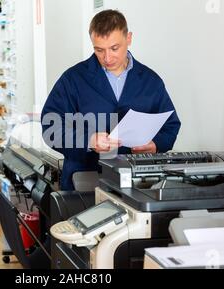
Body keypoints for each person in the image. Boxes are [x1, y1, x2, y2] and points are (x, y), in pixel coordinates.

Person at [41, 10, 181, 190]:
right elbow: (51, 128)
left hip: (137, 184)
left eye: (114, 48)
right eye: (99, 50)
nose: (107, 58)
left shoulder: (151, 81)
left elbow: (170, 126)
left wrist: (155, 145)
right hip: (83, 183)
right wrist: (89, 141)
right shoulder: (73, 79)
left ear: (128, 38)